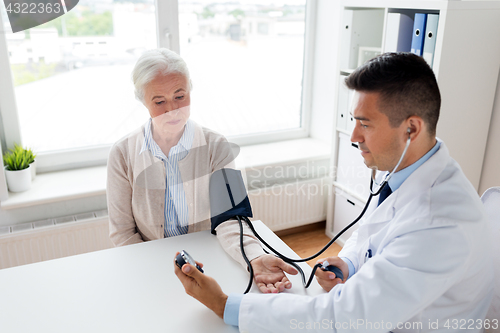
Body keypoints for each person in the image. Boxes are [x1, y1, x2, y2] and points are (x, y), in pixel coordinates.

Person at [174, 52, 494, 332]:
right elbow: (375, 233)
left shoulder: (440, 221)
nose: (354, 136)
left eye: (365, 124)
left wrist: (224, 305)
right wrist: (349, 264)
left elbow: (343, 319)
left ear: (411, 129)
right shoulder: (411, 173)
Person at [107, 48, 297, 293]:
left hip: (210, 260)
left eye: (179, 96)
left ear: (190, 90)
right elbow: (123, 233)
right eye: (159, 101)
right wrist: (162, 270)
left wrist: (255, 258)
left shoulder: (216, 146)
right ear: (143, 101)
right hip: (150, 268)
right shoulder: (122, 153)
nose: (173, 109)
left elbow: (231, 219)